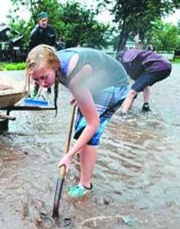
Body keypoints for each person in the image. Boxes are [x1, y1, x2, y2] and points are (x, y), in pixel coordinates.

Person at [25, 45, 130, 198]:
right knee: (81, 130)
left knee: (89, 133)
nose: (42, 84)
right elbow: (85, 73)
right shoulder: (50, 60)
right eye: (36, 80)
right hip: (94, 80)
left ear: (54, 66)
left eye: (44, 77)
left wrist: (69, 155)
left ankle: (85, 185)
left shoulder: (71, 75)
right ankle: (84, 162)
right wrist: (79, 91)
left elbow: (93, 124)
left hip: (114, 84)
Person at [29, 12, 58, 95]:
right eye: (43, 21)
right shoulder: (34, 32)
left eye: (46, 20)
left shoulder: (51, 30)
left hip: (48, 52)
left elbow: (53, 42)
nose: (44, 22)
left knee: (49, 69)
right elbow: (31, 47)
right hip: (38, 53)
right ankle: (36, 88)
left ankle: (49, 86)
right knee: (38, 70)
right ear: (39, 21)